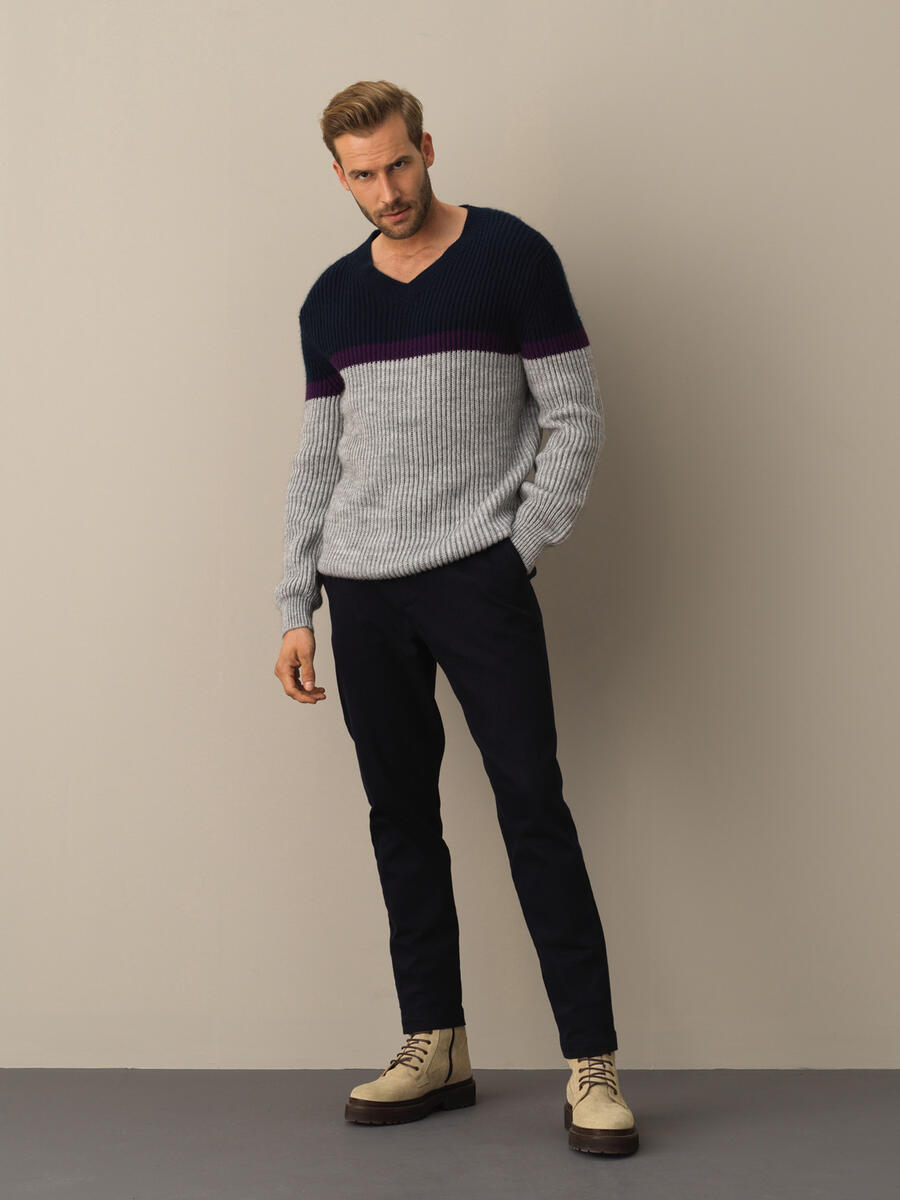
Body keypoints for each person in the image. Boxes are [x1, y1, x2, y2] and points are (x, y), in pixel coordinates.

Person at [272, 79, 639, 1157]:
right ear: (339, 177)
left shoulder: (512, 258)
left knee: (533, 806)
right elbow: (317, 460)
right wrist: (296, 602)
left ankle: (592, 1063)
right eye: (363, 175)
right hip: (362, 588)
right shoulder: (331, 301)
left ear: (428, 148)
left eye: (399, 163)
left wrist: (515, 551)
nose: (387, 190)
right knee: (400, 817)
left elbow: (576, 417)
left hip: (477, 577)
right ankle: (436, 1043)